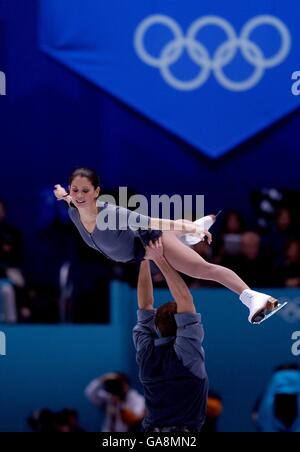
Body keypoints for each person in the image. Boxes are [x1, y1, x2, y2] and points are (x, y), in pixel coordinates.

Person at [53, 167, 284, 324]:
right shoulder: (74, 210)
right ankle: (189, 233)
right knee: (179, 238)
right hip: (139, 250)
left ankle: (254, 297)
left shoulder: (111, 213)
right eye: (75, 190)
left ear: (97, 192)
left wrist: (190, 228)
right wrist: (63, 194)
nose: (79, 195)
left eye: (85, 190)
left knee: (201, 270)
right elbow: (71, 200)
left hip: (151, 241)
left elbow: (153, 221)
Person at [133, 238, 208, 432]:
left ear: (157, 325)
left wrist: (144, 258)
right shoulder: (186, 351)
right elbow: (183, 298)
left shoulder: (146, 352)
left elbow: (145, 305)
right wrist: (158, 259)